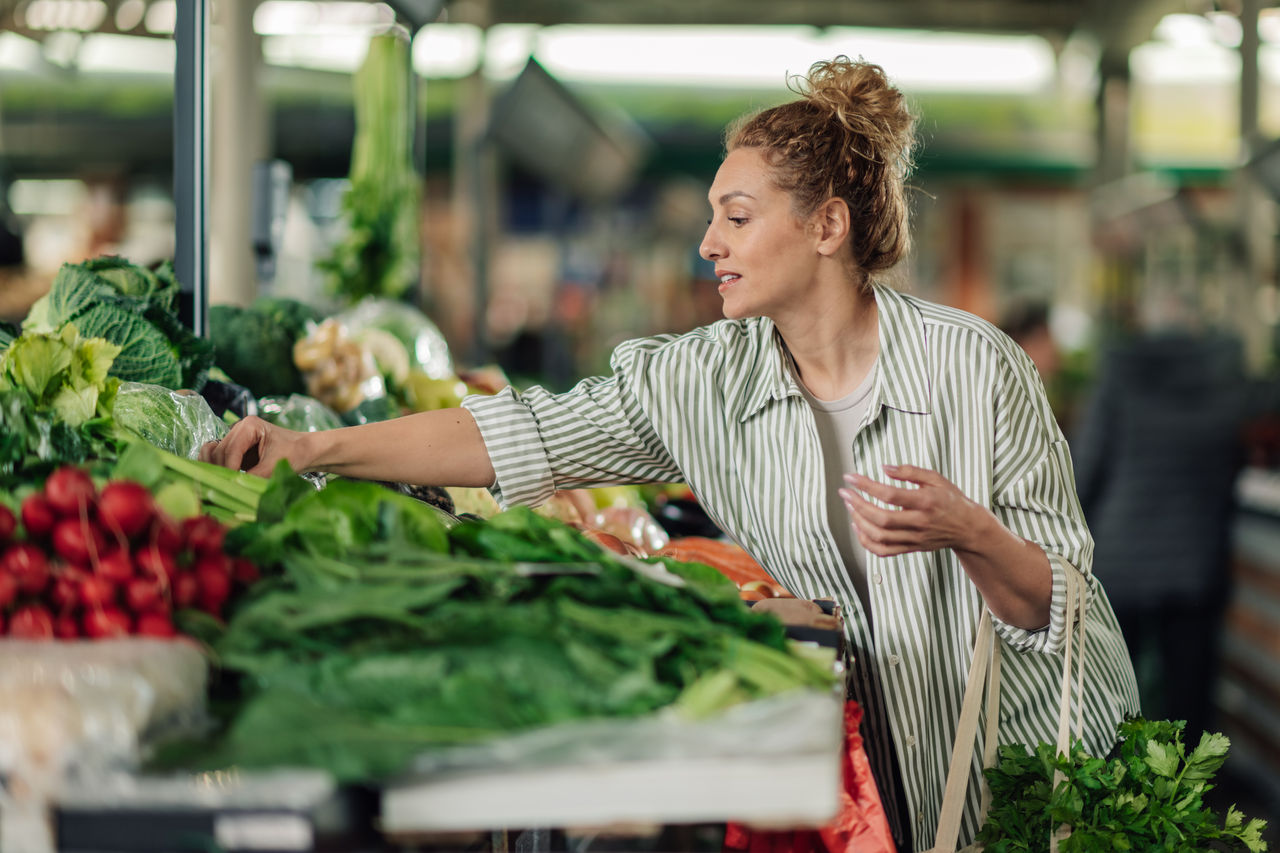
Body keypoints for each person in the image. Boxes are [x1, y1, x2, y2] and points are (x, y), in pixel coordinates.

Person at [204, 57, 1140, 851]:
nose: (709, 243)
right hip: (880, 770)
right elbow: (519, 431)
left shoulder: (978, 370)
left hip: (1034, 777)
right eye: (712, 218)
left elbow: (1056, 602)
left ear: (826, 227)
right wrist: (312, 446)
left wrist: (969, 531)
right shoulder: (698, 381)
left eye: (736, 217)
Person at [1072, 328, 1249, 741]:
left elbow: (1085, 472)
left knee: (1113, 695)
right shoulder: (1222, 390)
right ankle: (1191, 797)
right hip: (1195, 566)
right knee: (1189, 699)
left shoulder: (1118, 382)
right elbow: (1229, 474)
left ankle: (1118, 796)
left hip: (1121, 565)